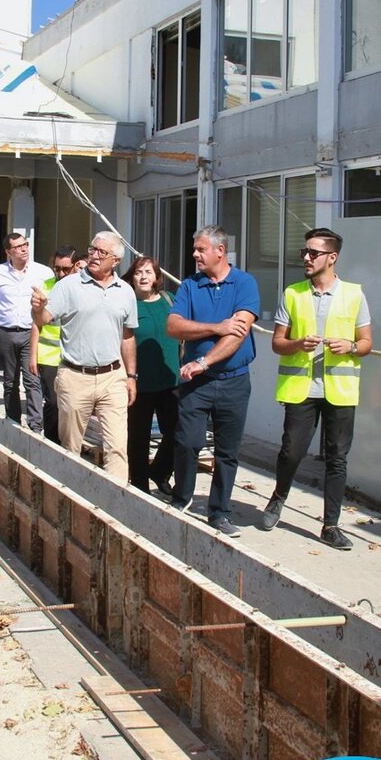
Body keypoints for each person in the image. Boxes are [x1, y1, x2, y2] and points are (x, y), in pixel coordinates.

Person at [261, 228, 372, 550]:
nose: (306, 258)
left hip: (340, 390)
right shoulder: (293, 293)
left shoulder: (354, 295)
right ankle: (277, 499)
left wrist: (350, 345)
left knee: (337, 458)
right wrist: (297, 343)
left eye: (313, 253)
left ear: (332, 258)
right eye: (304, 252)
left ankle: (331, 525)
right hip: (302, 389)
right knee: (291, 451)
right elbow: (278, 343)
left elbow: (366, 343)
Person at [166, 226, 260, 537]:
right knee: (187, 442)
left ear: (220, 251)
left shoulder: (244, 283)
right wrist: (215, 327)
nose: (194, 254)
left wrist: (203, 361)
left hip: (233, 382)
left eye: (200, 249)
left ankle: (219, 512)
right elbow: (174, 326)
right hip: (196, 385)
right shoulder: (191, 286)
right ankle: (181, 499)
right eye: (194, 249)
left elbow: (238, 335)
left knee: (227, 451)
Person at [30, 232, 137, 482]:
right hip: (75, 377)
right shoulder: (68, 285)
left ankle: (114, 507)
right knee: (71, 449)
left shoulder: (125, 291)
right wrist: (37, 308)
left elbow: (128, 336)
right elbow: (43, 320)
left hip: (113, 377)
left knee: (117, 448)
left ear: (116, 261)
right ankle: (73, 500)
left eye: (102, 252)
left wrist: (131, 375)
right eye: (92, 250)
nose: (94, 256)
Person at [122, 256, 179, 496]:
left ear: (157, 277)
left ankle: (159, 470)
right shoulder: (127, 303)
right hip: (139, 383)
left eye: (148, 272)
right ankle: (140, 488)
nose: (143, 276)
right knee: (138, 439)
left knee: (178, 433)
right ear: (132, 276)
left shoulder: (170, 300)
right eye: (138, 272)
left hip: (170, 380)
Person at [0, 232, 53, 432]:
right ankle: (13, 422)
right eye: (18, 247)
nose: (24, 249)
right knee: (10, 381)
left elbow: (51, 302)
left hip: (31, 333)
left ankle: (35, 426)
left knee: (33, 380)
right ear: (8, 252)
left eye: (25, 244)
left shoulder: (43, 272)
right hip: (6, 332)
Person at [28, 246, 80, 444]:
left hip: (74, 356)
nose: (60, 273)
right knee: (53, 402)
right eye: (57, 268)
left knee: (73, 403)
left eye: (65, 269)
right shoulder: (46, 286)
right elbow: (36, 323)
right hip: (49, 356)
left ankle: (70, 441)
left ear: (76, 266)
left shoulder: (82, 286)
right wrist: (32, 356)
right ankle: (51, 443)